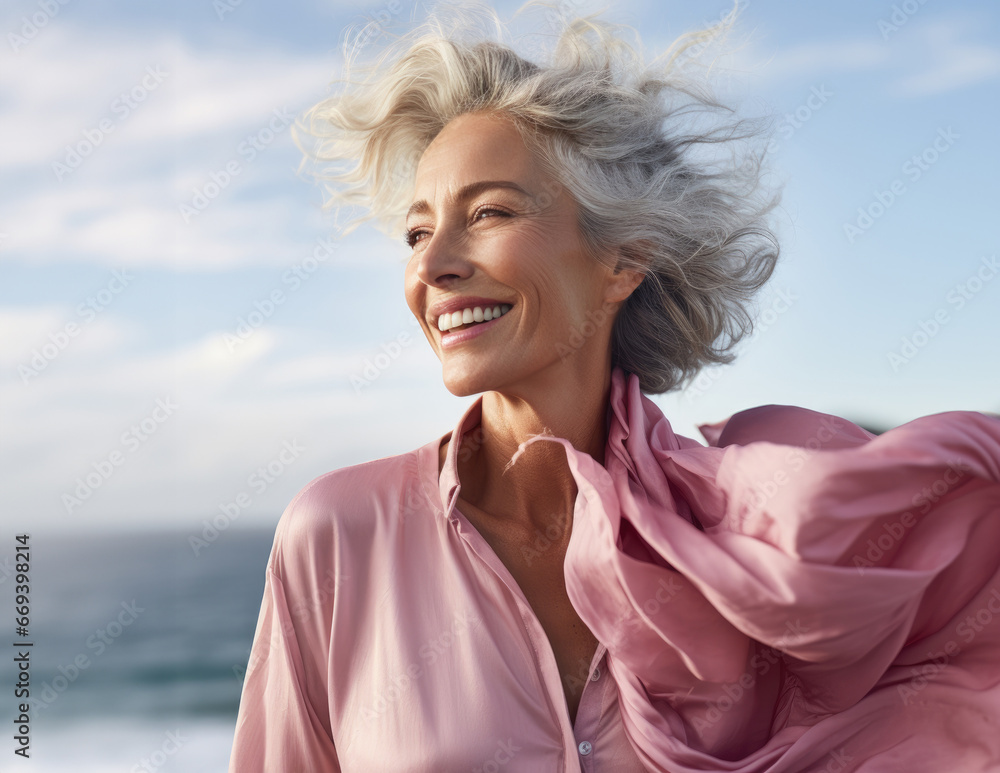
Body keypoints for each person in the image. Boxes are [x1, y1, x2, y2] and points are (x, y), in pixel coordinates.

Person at [228, 3, 1000, 771]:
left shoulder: (750, 539)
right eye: (418, 232)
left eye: (489, 211)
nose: (432, 267)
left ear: (623, 261)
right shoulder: (339, 535)